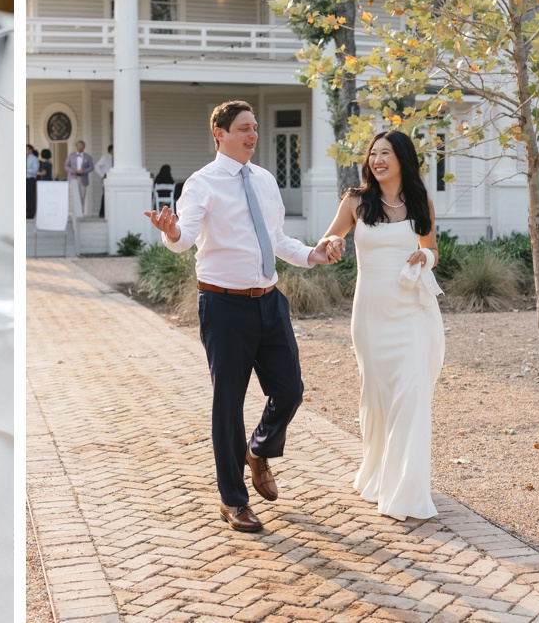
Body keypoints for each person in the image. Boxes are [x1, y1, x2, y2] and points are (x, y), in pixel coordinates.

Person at [145, 100, 335, 533]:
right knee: (227, 404)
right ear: (220, 133)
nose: (252, 135)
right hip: (224, 306)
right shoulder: (202, 183)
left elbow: (277, 238)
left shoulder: (265, 180)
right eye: (244, 129)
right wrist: (171, 231)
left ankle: (259, 449)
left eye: (254, 128)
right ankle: (233, 500)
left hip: (269, 301)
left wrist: (312, 254)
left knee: (290, 390)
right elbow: (185, 237)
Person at [316, 130, 444, 521]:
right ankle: (377, 472)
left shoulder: (421, 201)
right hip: (371, 317)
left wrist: (425, 259)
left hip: (412, 315)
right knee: (378, 399)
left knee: (412, 394)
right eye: (373, 154)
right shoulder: (355, 200)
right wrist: (332, 245)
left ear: (403, 158)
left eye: (386, 153)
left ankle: (406, 490)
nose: (378, 160)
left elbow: (431, 248)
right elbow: (329, 239)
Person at [65, 141, 93, 216]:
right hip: (73, 177)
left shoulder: (88, 157)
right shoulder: (71, 155)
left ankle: (81, 213)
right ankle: (74, 213)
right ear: (76, 146)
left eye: (81, 146)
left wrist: (84, 171)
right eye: (78, 146)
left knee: (82, 195)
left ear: (84, 147)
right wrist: (72, 170)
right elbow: (66, 166)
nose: (80, 147)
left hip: (83, 178)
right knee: (73, 195)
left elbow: (91, 167)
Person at [94, 145, 113, 217]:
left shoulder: (117, 158)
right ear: (111, 150)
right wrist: (102, 175)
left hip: (115, 178)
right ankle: (102, 213)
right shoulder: (105, 157)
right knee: (106, 195)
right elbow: (97, 166)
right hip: (107, 177)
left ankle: (110, 212)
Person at [26, 144, 40, 219]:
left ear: (30, 150)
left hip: (30, 179)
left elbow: (35, 170)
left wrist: (26, 170)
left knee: (30, 197)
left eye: (26, 149)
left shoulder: (34, 159)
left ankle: (30, 214)